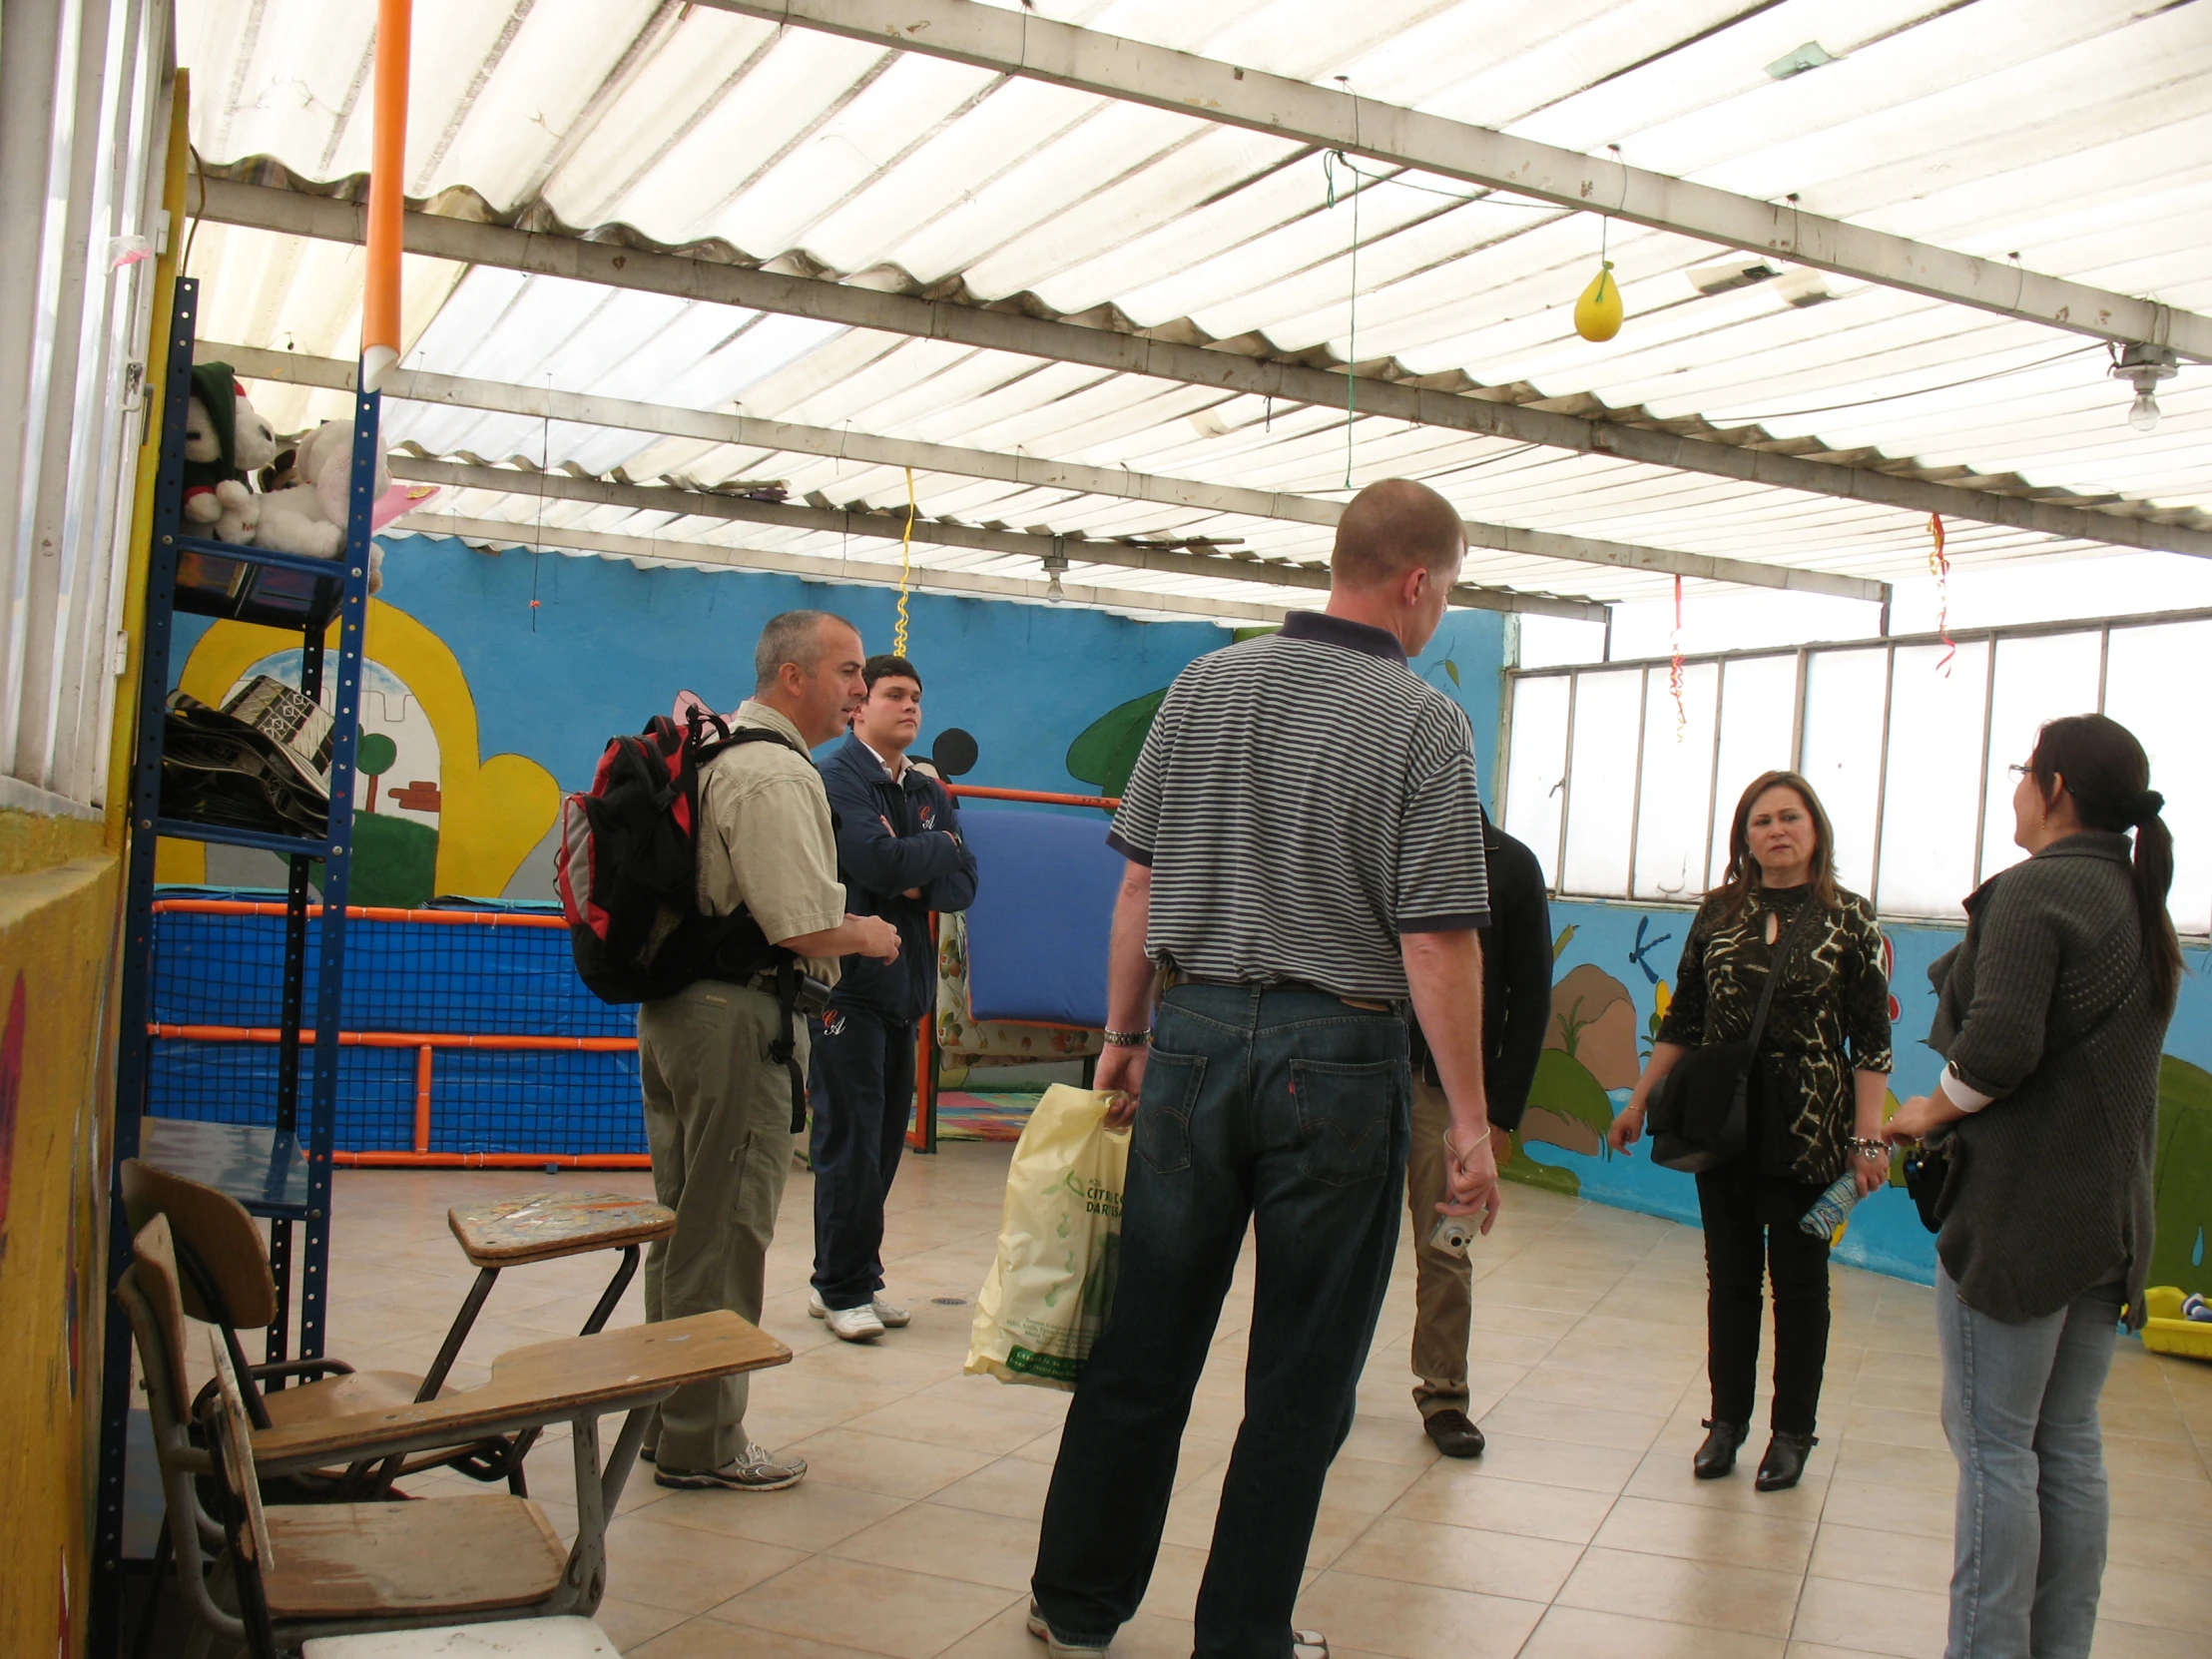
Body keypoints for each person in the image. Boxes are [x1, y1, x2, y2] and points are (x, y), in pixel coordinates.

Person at [1027, 478, 1501, 1659]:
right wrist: (1473, 1121)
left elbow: (1136, 884)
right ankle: (1242, 1635)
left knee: (1145, 1339)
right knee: (1300, 1370)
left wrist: (1124, 1040)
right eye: (1443, 591)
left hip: (1187, 1042)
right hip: (1335, 1060)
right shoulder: (1420, 720)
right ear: (1414, 582)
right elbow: (1434, 936)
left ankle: (1074, 1606)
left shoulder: (1203, 685)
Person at [1884, 714, 2179, 1659]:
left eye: (2023, 772)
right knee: (2067, 1444)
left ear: (2053, 789)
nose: (2015, 789)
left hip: (2019, 1222)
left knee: (1996, 1447)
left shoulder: (2038, 892)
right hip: (2109, 1220)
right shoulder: (2139, 900)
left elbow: (1999, 1047)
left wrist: (1931, 1108)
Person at [636, 610, 900, 1493]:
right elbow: (802, 925)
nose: (860, 689)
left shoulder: (712, 753)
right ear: (794, 677)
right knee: (723, 1234)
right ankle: (704, 1442)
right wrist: (867, 934)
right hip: (735, 1024)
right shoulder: (774, 776)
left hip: (677, 1013)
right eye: (849, 672)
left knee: (681, 1225)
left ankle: (664, 1415)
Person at [1607, 771, 1891, 1492]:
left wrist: (1868, 1138)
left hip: (1809, 1127)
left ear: (1815, 830)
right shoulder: (1718, 913)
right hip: (1723, 1121)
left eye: (1790, 817)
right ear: (1745, 839)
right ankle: (1725, 1423)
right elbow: (1685, 1020)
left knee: (1799, 1282)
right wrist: (1639, 1100)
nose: (1777, 831)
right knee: (1728, 1278)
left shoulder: (1850, 920)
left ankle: (1792, 1431)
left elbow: (1870, 1044)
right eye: (1761, 821)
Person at [809, 654, 979, 1342]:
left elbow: (964, 882)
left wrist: (919, 861)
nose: (909, 707)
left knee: (882, 1147)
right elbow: (873, 864)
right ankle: (839, 1288)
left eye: (916, 697)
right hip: (848, 991)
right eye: (894, 696)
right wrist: (930, 853)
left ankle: (853, 1278)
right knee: (848, 1144)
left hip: (903, 992)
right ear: (860, 706)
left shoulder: (927, 789)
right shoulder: (837, 776)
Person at [1405, 806, 1552, 1457]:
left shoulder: (1510, 865)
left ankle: (1444, 1395)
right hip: (1361, 1075)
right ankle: (1325, 1386)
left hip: (1450, 1094)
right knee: (1340, 1240)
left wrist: (1498, 1116)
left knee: (1447, 1243)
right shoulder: (1384, 841)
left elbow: (1531, 998)